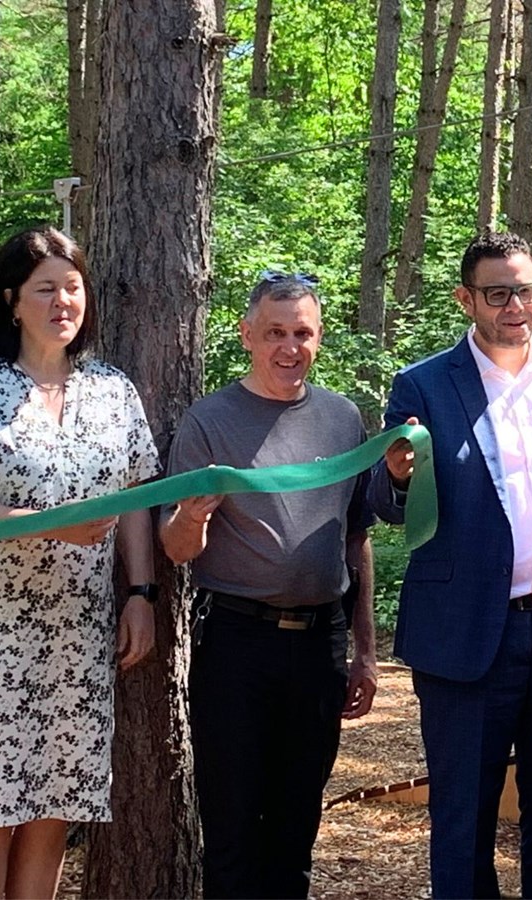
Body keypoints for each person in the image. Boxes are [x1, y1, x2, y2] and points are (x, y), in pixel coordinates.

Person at [0, 225, 159, 899]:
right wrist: (46, 528)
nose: (62, 302)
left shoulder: (114, 391)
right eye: (45, 288)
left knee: (53, 807)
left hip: (75, 632)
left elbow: (138, 496)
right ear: (11, 300)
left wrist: (141, 592)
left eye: (73, 288)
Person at [372, 232, 532, 899]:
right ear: (465, 300)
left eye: (526, 290)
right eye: (498, 293)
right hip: (466, 635)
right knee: (463, 819)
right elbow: (387, 504)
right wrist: (397, 477)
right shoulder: (422, 384)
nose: (515, 306)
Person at [158, 271, 378, 899]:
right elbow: (175, 548)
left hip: (319, 645)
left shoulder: (341, 419)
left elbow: (354, 541)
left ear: (319, 336)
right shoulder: (210, 421)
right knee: (230, 830)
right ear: (246, 334)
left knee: (295, 830)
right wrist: (196, 511)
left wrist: (363, 655)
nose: (289, 347)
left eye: (302, 333)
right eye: (275, 333)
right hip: (235, 642)